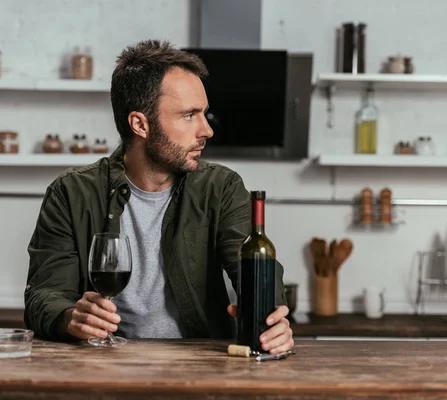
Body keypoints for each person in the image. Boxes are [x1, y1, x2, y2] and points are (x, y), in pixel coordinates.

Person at [24, 39, 294, 354]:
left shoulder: (221, 188)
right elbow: (43, 295)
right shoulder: (71, 193)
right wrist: (71, 318)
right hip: (102, 366)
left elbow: (251, 268)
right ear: (140, 124)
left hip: (201, 366)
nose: (207, 130)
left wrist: (272, 319)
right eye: (189, 115)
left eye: (204, 114)